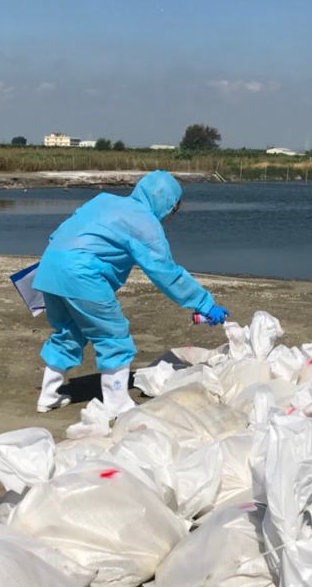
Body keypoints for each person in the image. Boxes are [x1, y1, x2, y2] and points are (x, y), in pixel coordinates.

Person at [32, 169, 228, 416]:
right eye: (173, 209)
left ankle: (49, 395)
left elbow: (64, 231)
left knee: (69, 331)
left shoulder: (104, 200)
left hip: (50, 266)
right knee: (113, 336)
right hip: (82, 273)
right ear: (167, 204)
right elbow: (165, 272)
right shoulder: (145, 223)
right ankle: (117, 403)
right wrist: (204, 303)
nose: (170, 215)